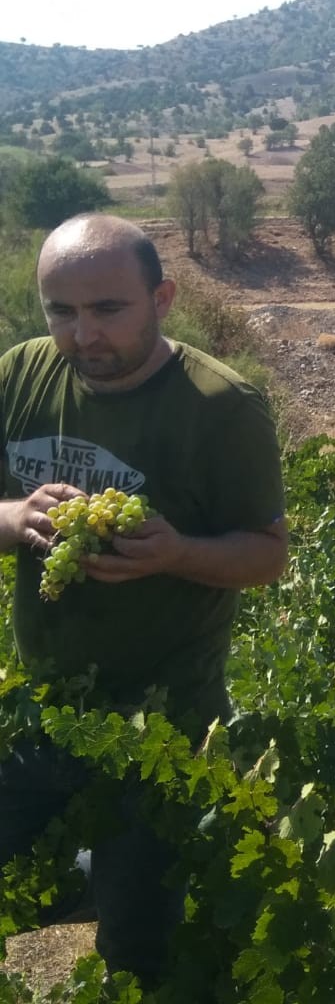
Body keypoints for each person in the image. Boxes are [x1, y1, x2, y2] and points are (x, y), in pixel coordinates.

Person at [0, 213, 287, 984]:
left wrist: (179, 553)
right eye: (60, 311)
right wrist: (15, 518)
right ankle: (83, 875)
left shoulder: (222, 406)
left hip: (163, 727)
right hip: (42, 708)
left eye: (107, 310)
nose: (82, 335)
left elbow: (269, 555)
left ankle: (112, 890)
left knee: (139, 950)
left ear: (161, 299)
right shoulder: (20, 374)